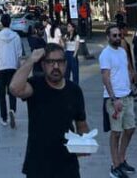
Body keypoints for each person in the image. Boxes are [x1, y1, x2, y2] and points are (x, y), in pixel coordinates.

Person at [10, 44, 89, 178]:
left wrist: (85, 143)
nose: (56, 67)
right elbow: (15, 89)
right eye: (50, 62)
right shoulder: (35, 85)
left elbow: (81, 124)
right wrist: (31, 60)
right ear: (43, 65)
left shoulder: (74, 90)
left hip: (67, 165)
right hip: (38, 165)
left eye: (59, 62)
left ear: (65, 64)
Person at [100, 23, 137, 176]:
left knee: (130, 129)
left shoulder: (122, 51)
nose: (117, 38)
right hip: (114, 99)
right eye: (114, 35)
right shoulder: (105, 54)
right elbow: (106, 78)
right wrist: (114, 99)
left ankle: (121, 159)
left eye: (119, 35)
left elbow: (127, 69)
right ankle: (115, 166)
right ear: (108, 37)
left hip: (127, 96)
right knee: (116, 132)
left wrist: (132, 81)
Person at [0, 13, 23, 128]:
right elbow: (19, 53)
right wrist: (19, 67)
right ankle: (13, 110)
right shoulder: (16, 36)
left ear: (1, 22)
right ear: (10, 22)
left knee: (1, 94)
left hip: (1, 67)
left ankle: (4, 118)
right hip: (12, 67)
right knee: (12, 92)